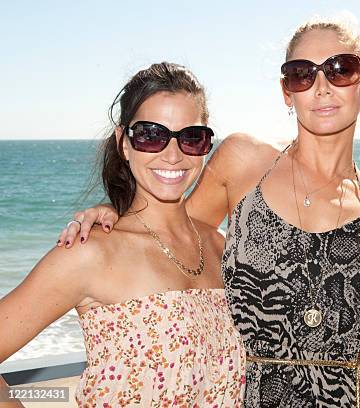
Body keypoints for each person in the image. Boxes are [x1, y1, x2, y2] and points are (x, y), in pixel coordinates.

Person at [57, 19, 360, 407]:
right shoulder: (243, 161)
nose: (321, 87)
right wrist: (114, 214)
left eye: (340, 69)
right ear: (285, 90)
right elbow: (174, 237)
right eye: (301, 74)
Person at [0, 62, 245, 407]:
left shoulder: (220, 246)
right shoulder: (89, 252)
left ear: (206, 145)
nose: (172, 155)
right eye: (151, 135)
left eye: (191, 137)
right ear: (123, 143)